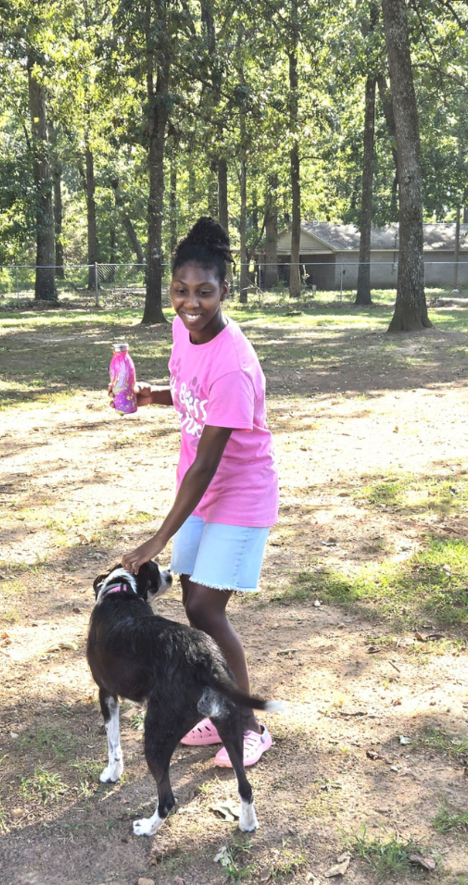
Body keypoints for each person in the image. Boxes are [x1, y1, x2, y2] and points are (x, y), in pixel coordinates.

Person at [119, 217, 279, 767]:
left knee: (207, 610)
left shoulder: (234, 364)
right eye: (181, 290)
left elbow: (208, 463)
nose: (191, 302)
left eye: (204, 292)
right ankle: (219, 713)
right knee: (193, 604)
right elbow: (192, 391)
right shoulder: (182, 330)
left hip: (238, 495)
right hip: (200, 494)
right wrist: (154, 395)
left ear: (224, 291)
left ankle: (249, 727)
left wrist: (156, 541)